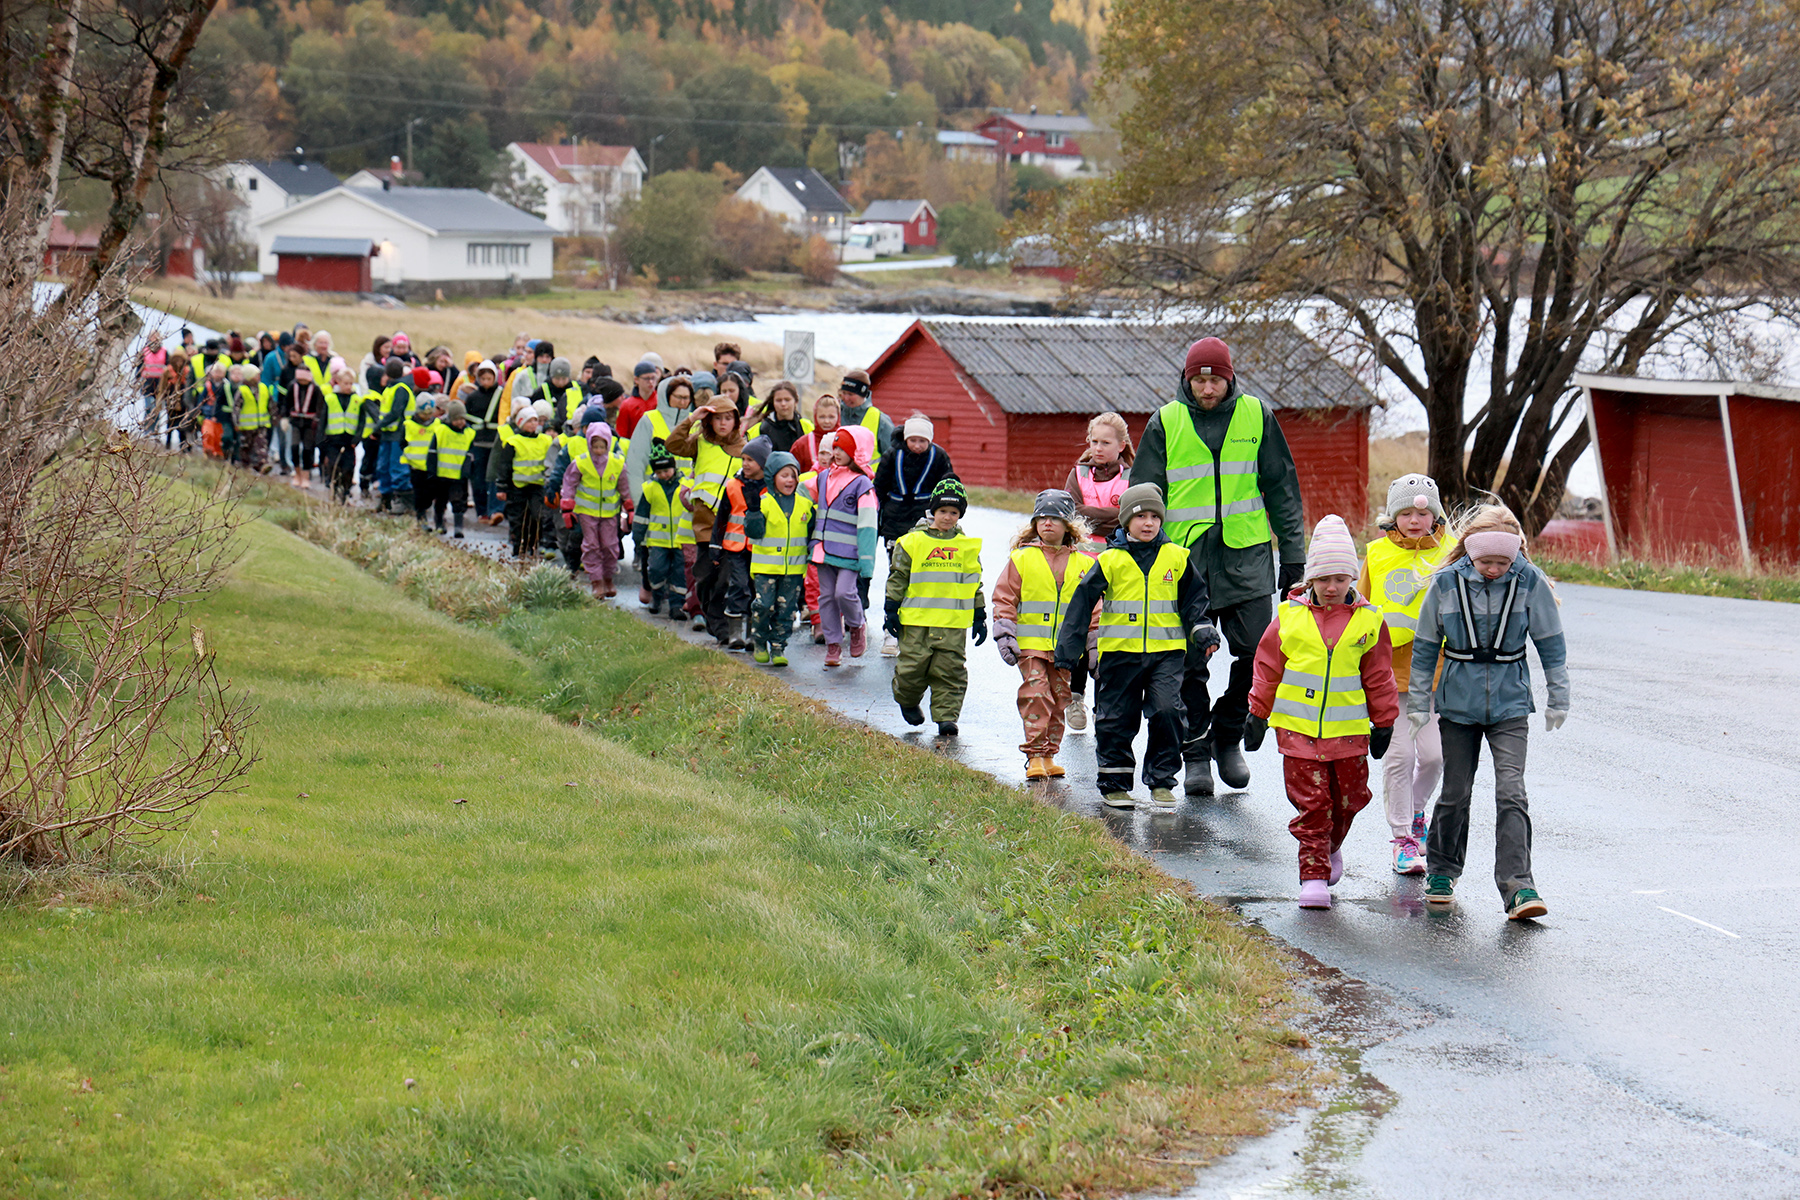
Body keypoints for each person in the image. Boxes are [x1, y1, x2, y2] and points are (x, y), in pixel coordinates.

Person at [1130, 336, 1307, 796]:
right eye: (1199, 379)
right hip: (1185, 561)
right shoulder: (1164, 422)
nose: (1207, 388)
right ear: (1187, 379)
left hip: (1246, 556)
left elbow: (1282, 487)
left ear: (1230, 378)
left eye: (1215, 379)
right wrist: (1137, 554)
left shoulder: (1256, 415)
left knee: (1258, 651)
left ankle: (1227, 735)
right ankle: (1195, 752)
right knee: (1189, 662)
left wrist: (1293, 555)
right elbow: (1143, 497)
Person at [1408, 505, 1568, 920]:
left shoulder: (1529, 581)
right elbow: (1425, 646)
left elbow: (1551, 642)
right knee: (1456, 792)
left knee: (1511, 791)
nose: (1494, 569)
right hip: (1457, 704)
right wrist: (1417, 703)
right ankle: (1442, 873)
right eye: (1485, 562)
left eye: (1503, 562)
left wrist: (1558, 696)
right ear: (1469, 554)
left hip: (1511, 703)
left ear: (1516, 555)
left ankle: (1519, 887)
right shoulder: (1445, 584)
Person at [1242, 515, 1399, 909]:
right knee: (1313, 805)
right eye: (1324, 579)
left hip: (1349, 735)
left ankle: (1330, 845)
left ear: (1351, 579)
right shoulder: (1289, 618)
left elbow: (1379, 675)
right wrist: (1257, 714)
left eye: (1341, 579)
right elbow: (1267, 668)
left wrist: (1385, 721)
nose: (1332, 587)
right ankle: (1312, 877)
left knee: (1349, 799)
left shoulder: (1369, 622)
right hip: (1298, 733)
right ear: (1310, 579)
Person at [1054, 484, 1219, 812]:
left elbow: (1195, 603)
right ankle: (1115, 783)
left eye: (1154, 516)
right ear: (1126, 520)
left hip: (1167, 655)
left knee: (1168, 712)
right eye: (1140, 516)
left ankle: (1161, 780)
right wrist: (1069, 649)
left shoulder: (1178, 558)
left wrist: (1203, 632)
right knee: (1116, 718)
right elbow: (1081, 604)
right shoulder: (1110, 560)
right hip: (1119, 655)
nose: (1148, 523)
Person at [1358, 474, 1458, 874]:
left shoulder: (1452, 553)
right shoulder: (1377, 554)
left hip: (1436, 674)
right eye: (1406, 513)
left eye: (1423, 512)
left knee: (1433, 758)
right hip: (1390, 675)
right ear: (1392, 516)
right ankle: (1402, 839)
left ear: (1434, 516)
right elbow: (1359, 608)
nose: (1415, 520)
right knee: (1398, 756)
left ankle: (1418, 812)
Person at [991, 490, 1097, 779]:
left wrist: (1094, 642)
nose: (1047, 524)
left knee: (1060, 698)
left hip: (1066, 649)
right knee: (1036, 694)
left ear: (1068, 526)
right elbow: (1004, 598)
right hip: (1030, 645)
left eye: (1055, 518)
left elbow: (1095, 607)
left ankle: (1050, 754)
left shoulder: (1085, 565)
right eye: (1042, 518)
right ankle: (1035, 755)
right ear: (1034, 524)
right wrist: (1005, 634)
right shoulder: (1022, 558)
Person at [884, 478, 985, 737]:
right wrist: (891, 609)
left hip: (952, 623)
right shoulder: (912, 542)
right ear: (932, 512)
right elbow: (898, 576)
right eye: (943, 511)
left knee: (950, 671)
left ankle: (946, 717)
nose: (948, 517)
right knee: (911, 669)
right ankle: (907, 700)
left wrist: (979, 614)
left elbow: (974, 583)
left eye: (954, 512)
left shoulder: (966, 547)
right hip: (917, 622)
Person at [1063, 412, 1135, 734]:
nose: (1098, 448)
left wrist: (1091, 515)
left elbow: (1128, 515)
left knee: (1107, 634)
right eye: (1093, 441)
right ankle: (1075, 697)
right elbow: (1070, 512)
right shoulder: (1077, 474)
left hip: (1118, 563)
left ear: (1121, 446)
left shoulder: (1131, 478)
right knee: (1081, 628)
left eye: (1105, 443)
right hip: (1080, 562)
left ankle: (1103, 702)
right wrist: (1109, 516)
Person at [873, 414, 957, 657]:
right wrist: (878, 524)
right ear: (906, 438)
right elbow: (879, 488)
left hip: (926, 523)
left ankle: (919, 631)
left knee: (923, 578)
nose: (918, 446)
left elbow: (948, 485)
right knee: (897, 575)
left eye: (923, 441)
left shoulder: (939, 457)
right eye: (913, 440)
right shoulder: (892, 455)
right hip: (895, 523)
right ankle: (891, 631)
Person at [667, 390, 745, 640]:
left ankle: (722, 629)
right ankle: (713, 618)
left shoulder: (744, 447)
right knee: (705, 578)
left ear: (735, 420)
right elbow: (673, 445)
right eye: (717, 418)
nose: (723, 423)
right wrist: (692, 419)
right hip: (704, 525)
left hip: (732, 525)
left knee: (725, 578)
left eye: (728, 418)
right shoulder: (699, 442)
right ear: (709, 420)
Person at [626, 374, 701, 615]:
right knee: (654, 554)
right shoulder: (650, 420)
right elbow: (636, 463)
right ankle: (654, 589)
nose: (681, 402)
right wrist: (639, 502)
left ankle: (679, 598)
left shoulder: (696, 424)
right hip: (655, 493)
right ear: (666, 396)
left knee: (682, 558)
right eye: (677, 397)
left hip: (684, 499)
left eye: (686, 398)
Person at [809, 425, 878, 668]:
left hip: (850, 554)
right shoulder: (823, 476)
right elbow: (800, 491)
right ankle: (833, 645)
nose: (836, 452)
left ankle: (857, 624)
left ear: (856, 452)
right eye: (834, 447)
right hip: (823, 551)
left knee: (844, 592)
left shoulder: (862, 485)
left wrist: (867, 563)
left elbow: (869, 526)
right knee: (826, 597)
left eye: (843, 448)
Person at [748, 449, 811, 667]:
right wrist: (753, 511)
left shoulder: (804, 504)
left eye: (793, 475)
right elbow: (753, 532)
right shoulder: (764, 502)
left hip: (793, 571)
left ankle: (778, 647)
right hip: (766, 568)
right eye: (784, 475)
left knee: (787, 610)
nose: (790, 480)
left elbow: (811, 532)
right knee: (764, 606)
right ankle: (759, 640)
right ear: (772, 477)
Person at [709, 437, 770, 648]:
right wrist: (715, 546)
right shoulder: (732, 485)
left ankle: (755, 633)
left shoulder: (770, 488)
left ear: (763, 463)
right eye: (743, 458)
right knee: (738, 586)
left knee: (757, 590)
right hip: (735, 548)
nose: (745, 463)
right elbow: (722, 517)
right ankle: (735, 632)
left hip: (761, 548)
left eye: (751, 459)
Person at [560, 421, 632, 596]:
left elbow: (624, 486)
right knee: (591, 545)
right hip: (586, 512)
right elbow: (569, 483)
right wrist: (567, 507)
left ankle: (608, 578)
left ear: (608, 443)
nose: (599, 450)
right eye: (595, 446)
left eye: (602, 446)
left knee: (610, 546)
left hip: (610, 512)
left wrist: (629, 506)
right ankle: (596, 582)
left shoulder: (617, 463)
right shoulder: (581, 462)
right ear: (589, 444)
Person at [797, 393, 843, 640]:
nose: (828, 458)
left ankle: (839, 621)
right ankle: (818, 622)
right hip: (813, 537)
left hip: (840, 537)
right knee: (814, 580)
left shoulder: (848, 479)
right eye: (823, 453)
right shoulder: (807, 480)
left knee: (840, 581)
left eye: (832, 453)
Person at [491, 406, 554, 560]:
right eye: (529, 421)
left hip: (537, 486)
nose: (533, 424)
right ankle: (518, 546)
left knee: (536, 516)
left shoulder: (545, 440)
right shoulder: (513, 442)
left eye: (535, 420)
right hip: (517, 487)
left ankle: (533, 545)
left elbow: (552, 460)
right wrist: (502, 487)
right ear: (520, 423)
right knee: (518, 518)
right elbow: (504, 466)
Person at [633, 445, 688, 618]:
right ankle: (657, 595)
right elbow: (642, 514)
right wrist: (638, 534)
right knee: (656, 570)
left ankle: (676, 605)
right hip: (657, 540)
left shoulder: (685, 486)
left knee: (680, 573)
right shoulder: (650, 488)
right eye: (660, 472)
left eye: (667, 470)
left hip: (680, 539)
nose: (664, 474)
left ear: (674, 467)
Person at [457, 360, 507, 523]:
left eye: (489, 378)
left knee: (494, 477)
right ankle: (482, 511)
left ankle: (495, 510)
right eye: (483, 378)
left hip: (495, 443)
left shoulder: (501, 395)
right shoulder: (473, 397)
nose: (486, 382)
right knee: (478, 478)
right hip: (477, 443)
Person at [426, 400, 476, 537]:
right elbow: (432, 453)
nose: (460, 422)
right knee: (440, 501)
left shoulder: (469, 433)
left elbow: (469, 455)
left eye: (462, 419)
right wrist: (432, 472)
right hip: (441, 475)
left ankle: (458, 527)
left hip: (459, 475)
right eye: (457, 419)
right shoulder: (441, 431)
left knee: (459, 501)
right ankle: (439, 524)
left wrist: (467, 471)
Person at [375, 358, 416, 511]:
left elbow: (395, 413)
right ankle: (386, 499)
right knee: (383, 466)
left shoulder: (400, 389)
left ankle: (404, 501)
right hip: (387, 434)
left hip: (399, 435)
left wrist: (378, 425)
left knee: (398, 467)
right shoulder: (390, 389)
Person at [745, 382, 814, 469]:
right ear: (773, 402)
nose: (783, 404)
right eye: (778, 400)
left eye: (787, 400)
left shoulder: (807, 427)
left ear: (796, 401)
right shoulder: (759, 429)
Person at [321, 367, 363, 503]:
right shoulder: (330, 398)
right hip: (333, 439)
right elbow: (323, 420)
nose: (348, 387)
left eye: (351, 383)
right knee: (334, 466)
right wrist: (321, 439)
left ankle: (346, 491)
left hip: (349, 440)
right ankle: (335, 489)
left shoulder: (357, 399)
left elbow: (361, 421)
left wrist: (357, 438)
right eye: (345, 383)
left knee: (348, 467)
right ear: (338, 382)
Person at [836, 369, 894, 467]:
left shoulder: (880, 420)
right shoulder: (834, 414)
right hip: (837, 479)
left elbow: (891, 457)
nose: (846, 398)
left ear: (863, 394)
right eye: (844, 393)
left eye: (851, 394)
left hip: (870, 480)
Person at [285, 360, 324, 490]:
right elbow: (286, 403)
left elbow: (320, 407)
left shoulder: (316, 389)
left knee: (308, 449)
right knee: (294, 447)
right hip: (295, 422)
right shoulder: (292, 386)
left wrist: (318, 422)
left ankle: (306, 476)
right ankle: (297, 473)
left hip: (310, 424)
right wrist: (284, 418)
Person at [402, 396, 438, 527]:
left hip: (432, 466)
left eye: (429, 414)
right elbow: (402, 443)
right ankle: (421, 516)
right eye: (424, 414)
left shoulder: (437, 425)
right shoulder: (409, 424)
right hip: (416, 466)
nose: (426, 417)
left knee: (431, 492)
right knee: (419, 493)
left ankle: (426, 509)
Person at [229, 362, 271, 471]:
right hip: (246, 426)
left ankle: (262, 464)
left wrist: (274, 417)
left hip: (261, 424)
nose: (258, 377)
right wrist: (236, 422)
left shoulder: (263, 388)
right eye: (256, 375)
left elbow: (270, 403)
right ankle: (245, 464)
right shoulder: (242, 390)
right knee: (246, 446)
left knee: (261, 444)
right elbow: (236, 408)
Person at [615, 360, 662, 440]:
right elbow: (622, 435)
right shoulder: (627, 405)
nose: (651, 382)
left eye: (653, 378)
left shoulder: (661, 401)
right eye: (646, 378)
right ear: (636, 380)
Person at [136, 331, 168, 425]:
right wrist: (137, 379)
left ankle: (154, 429)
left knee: (157, 407)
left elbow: (168, 366)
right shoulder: (144, 351)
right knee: (149, 407)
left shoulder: (164, 351)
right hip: (147, 382)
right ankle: (147, 429)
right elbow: (139, 366)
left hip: (160, 383)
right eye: (153, 337)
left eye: (156, 337)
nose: (154, 339)